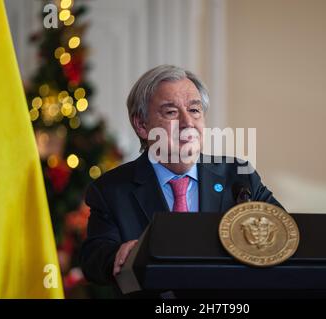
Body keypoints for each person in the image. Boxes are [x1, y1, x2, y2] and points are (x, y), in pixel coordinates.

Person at [80, 65, 285, 295]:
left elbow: (286, 234)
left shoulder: (239, 177)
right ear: (141, 125)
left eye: (195, 110)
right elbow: (94, 257)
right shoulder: (111, 190)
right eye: (171, 112)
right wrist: (117, 255)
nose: (188, 122)